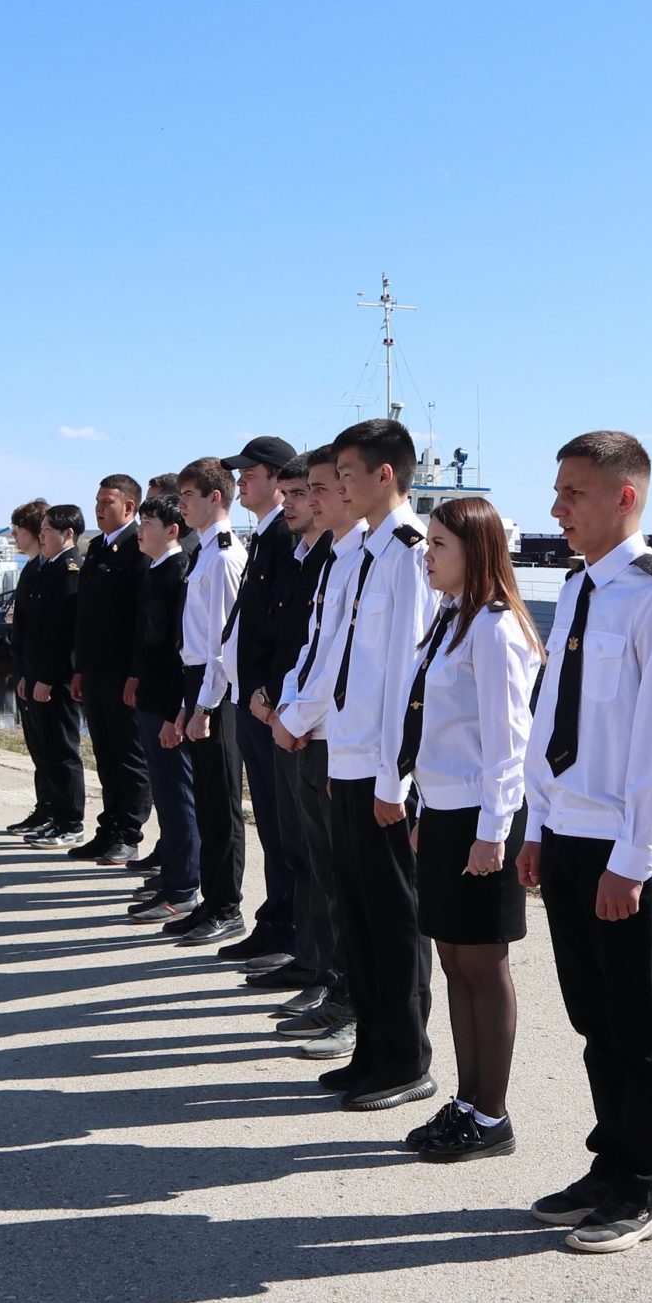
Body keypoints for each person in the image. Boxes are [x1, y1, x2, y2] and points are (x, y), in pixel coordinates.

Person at [518, 430, 652, 1253]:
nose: (558, 508)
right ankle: (611, 1158)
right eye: (558, 492)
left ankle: (647, 1184)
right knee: (593, 1015)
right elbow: (549, 716)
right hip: (568, 831)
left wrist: (631, 860)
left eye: (574, 493)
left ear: (625, 496)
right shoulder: (578, 588)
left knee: (639, 1017)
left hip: (626, 846)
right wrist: (536, 822)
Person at [399, 496, 544, 1162]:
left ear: (475, 550)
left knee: (484, 961)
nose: (427, 556)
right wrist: (426, 811)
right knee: (455, 959)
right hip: (447, 811)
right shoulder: (449, 620)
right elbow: (437, 731)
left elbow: (508, 743)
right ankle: (466, 1099)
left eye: (439, 546)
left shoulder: (494, 627)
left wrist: (493, 832)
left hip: (486, 818)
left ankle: (493, 1113)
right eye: (427, 544)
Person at [311, 418, 442, 1112]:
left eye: (350, 474)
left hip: (388, 774)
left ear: (386, 475)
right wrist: (341, 750)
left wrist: (395, 776)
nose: (339, 485)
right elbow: (347, 668)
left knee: (394, 918)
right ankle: (372, 1050)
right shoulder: (362, 552)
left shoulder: (410, 555)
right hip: (354, 758)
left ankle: (406, 1057)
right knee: (357, 915)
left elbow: (405, 680)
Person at [269, 447, 368, 1057]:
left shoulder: (396, 555)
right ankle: (338, 987)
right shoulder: (341, 554)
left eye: (323, 487)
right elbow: (314, 647)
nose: (312, 499)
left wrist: (299, 717)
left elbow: (368, 668)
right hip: (313, 733)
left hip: (346, 745)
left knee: (360, 893)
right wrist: (289, 708)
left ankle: (364, 1012)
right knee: (329, 878)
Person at [207, 436, 304, 963]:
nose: (241, 481)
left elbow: (286, 630)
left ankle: (287, 931)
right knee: (269, 820)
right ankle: (277, 921)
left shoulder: (285, 540)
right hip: (251, 701)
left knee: (285, 828)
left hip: (270, 705)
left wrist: (269, 692)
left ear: (276, 479)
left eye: (251, 472)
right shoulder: (269, 537)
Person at [168, 456, 249, 946]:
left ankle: (227, 906)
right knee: (205, 801)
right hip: (195, 679)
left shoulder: (224, 556)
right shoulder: (203, 553)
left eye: (188, 497)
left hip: (215, 686)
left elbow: (224, 644)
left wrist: (204, 707)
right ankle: (208, 900)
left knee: (222, 803)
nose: (181, 506)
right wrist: (187, 703)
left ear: (214, 498)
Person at [69, 475, 151, 866]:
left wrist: (136, 672)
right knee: (104, 753)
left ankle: (129, 833)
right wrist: (80, 666)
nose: (100, 508)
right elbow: (86, 617)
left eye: (108, 501)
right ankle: (109, 827)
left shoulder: (137, 548)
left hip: (122, 674)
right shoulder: (97, 548)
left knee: (128, 755)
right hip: (96, 671)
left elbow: (140, 620)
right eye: (98, 501)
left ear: (130, 508)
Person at [127, 493, 200, 921]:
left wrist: (178, 712)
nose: (141, 529)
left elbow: (180, 649)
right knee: (166, 796)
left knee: (178, 796)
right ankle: (170, 875)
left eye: (148, 522)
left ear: (172, 531)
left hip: (170, 705)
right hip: (151, 700)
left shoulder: (178, 572)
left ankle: (184, 886)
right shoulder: (154, 569)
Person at [16, 504, 87, 847]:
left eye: (48, 531)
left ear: (68, 534)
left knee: (63, 751)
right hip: (38, 675)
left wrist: (45, 677)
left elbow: (62, 634)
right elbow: (32, 630)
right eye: (40, 530)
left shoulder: (70, 570)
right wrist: (26, 675)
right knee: (46, 751)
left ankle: (71, 820)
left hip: (56, 678)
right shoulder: (46, 568)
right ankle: (55, 814)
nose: (41, 536)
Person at [5, 500, 53, 837]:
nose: (13, 535)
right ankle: (44, 807)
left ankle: (60, 812)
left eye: (17, 529)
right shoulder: (31, 569)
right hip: (27, 672)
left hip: (44, 676)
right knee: (38, 748)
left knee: (54, 749)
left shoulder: (48, 571)